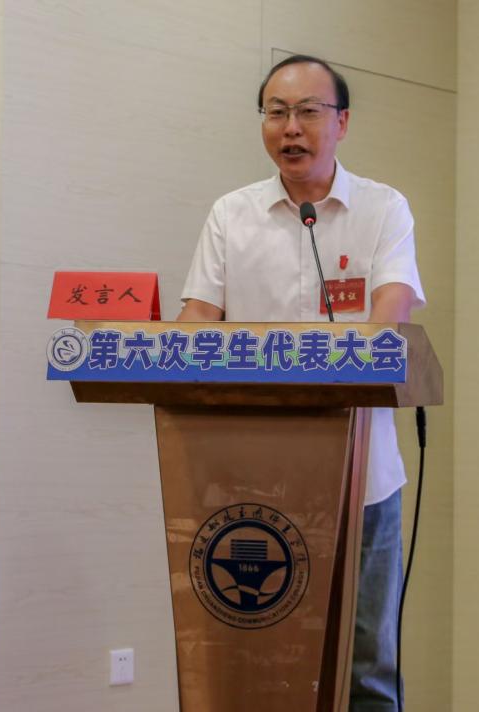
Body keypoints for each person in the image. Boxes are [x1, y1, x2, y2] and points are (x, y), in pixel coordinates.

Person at [178, 54, 425, 710]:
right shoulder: (231, 214)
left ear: (342, 122)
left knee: (366, 665)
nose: (291, 127)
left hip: (362, 479)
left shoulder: (382, 208)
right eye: (276, 112)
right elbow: (197, 321)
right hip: (251, 478)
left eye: (308, 112)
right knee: (257, 657)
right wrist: (163, 351)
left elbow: (392, 309)